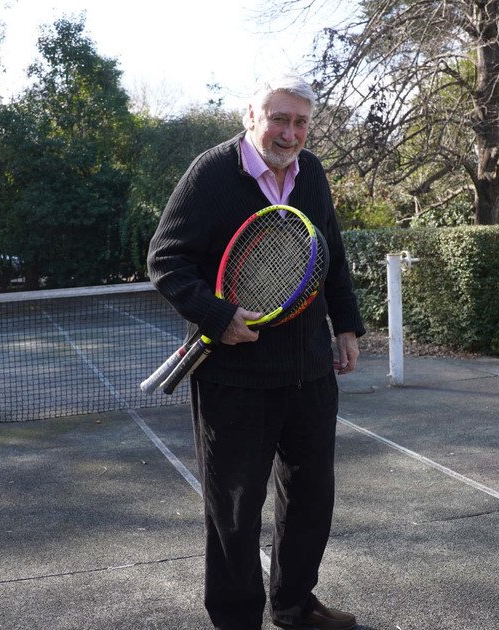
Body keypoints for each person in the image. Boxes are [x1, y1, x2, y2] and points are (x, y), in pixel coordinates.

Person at [147, 73, 365, 630]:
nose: (290, 133)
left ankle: (295, 605)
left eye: (301, 122)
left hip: (309, 370)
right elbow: (166, 260)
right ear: (251, 117)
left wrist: (346, 325)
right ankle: (235, 620)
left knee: (311, 498)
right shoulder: (211, 173)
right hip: (234, 378)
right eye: (279, 119)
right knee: (234, 511)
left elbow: (331, 255)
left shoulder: (311, 171)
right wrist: (218, 316)